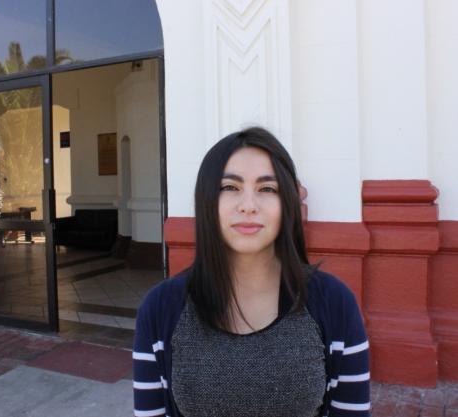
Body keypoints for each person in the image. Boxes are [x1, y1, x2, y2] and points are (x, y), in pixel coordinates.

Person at [133, 127, 370, 417]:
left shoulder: (334, 302)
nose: (248, 206)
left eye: (267, 189)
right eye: (230, 187)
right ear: (206, 201)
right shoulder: (161, 308)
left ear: (288, 205)